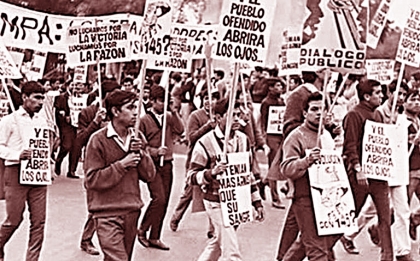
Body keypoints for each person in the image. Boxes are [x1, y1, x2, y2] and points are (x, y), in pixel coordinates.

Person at [188, 98, 264, 261]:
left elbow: (247, 174)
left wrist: (257, 202)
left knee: (217, 243)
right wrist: (212, 173)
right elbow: (191, 177)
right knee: (231, 252)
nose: (236, 119)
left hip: (236, 202)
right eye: (231, 116)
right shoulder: (204, 142)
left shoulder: (243, 140)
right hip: (215, 202)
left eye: (238, 115)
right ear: (217, 118)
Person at [84, 89, 155, 261]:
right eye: (130, 108)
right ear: (115, 111)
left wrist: (142, 153)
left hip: (131, 210)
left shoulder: (137, 137)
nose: (136, 113)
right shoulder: (98, 140)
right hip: (106, 213)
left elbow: (149, 175)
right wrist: (122, 164)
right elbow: (92, 180)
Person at [281, 92, 337, 261]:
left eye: (322, 109)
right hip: (305, 198)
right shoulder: (297, 136)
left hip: (327, 198)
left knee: (314, 243)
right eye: (314, 109)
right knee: (316, 250)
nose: (319, 113)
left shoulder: (327, 135)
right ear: (304, 113)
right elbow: (286, 168)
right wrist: (306, 161)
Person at [342, 79, 393, 261]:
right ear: (366, 96)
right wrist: (357, 168)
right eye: (378, 93)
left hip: (378, 175)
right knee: (348, 215)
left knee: (385, 217)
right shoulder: (353, 115)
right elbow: (350, 146)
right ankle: (323, 248)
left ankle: (387, 256)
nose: (382, 96)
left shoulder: (378, 115)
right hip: (360, 176)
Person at [0, 81, 50, 261]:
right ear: (24, 97)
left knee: (39, 222)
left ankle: (32, 259)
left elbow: (43, 145)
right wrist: (16, 154)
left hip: (38, 175)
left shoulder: (42, 121)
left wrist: (46, 160)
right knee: (14, 219)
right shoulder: (9, 121)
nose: (40, 102)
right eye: (36, 98)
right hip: (15, 173)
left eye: (42, 98)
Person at [137, 85, 184, 250]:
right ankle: (142, 229)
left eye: (166, 101)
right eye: (160, 101)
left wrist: (174, 111)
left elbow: (181, 129)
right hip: (152, 164)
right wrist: (156, 151)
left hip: (168, 163)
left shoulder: (169, 117)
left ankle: (155, 236)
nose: (163, 104)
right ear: (152, 101)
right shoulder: (144, 120)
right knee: (159, 198)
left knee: (165, 201)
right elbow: (141, 146)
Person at [76, 84, 119, 256]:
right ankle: (86, 239)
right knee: (96, 205)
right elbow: (80, 139)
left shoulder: (119, 114)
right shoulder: (87, 112)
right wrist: (95, 122)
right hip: (94, 164)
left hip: (114, 165)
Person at [169, 87, 219, 234]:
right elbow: (191, 138)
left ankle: (213, 228)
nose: (210, 102)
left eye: (214, 98)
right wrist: (207, 126)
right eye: (207, 98)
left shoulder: (220, 116)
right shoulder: (195, 116)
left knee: (215, 194)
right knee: (189, 192)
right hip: (197, 159)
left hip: (214, 160)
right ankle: (176, 217)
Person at [260, 78, 286, 209]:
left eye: (281, 85)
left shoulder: (281, 101)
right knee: (273, 165)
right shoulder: (266, 102)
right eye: (277, 85)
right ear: (270, 88)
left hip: (281, 135)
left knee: (278, 164)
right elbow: (263, 122)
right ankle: (275, 197)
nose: (280, 88)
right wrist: (264, 140)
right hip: (271, 137)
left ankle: (264, 182)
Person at [54, 81, 80, 179]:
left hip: (78, 125)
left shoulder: (82, 98)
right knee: (66, 145)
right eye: (72, 85)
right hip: (66, 125)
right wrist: (64, 115)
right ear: (68, 86)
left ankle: (72, 170)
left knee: (76, 148)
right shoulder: (61, 97)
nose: (74, 87)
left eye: (76, 85)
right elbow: (57, 110)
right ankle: (59, 160)